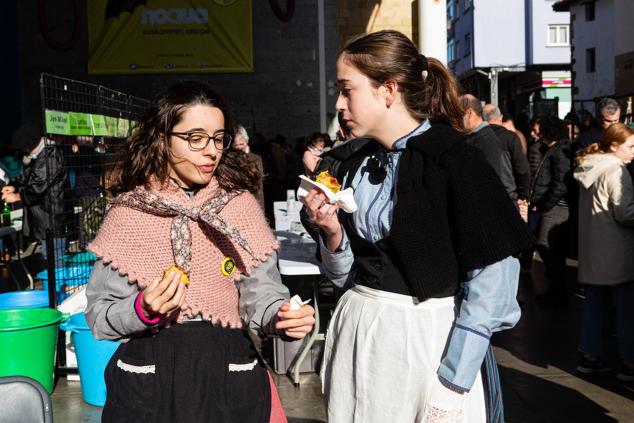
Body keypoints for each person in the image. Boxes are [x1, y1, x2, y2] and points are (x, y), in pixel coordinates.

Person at [301, 30, 533, 422]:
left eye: (347, 90)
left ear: (388, 91)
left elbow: (493, 281)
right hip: (357, 334)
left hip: (426, 341)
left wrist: (453, 382)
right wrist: (332, 232)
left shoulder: (456, 161)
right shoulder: (350, 162)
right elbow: (346, 277)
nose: (339, 104)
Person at [85, 81, 315, 423]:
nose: (211, 151)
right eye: (195, 138)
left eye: (219, 138)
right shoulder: (130, 214)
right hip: (151, 379)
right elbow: (99, 317)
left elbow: (262, 292)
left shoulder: (239, 208)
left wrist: (280, 315)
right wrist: (142, 309)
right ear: (162, 139)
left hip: (228, 373)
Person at [573, 123, 634, 382]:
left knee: (595, 303)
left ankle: (590, 356)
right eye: (630, 146)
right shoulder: (616, 171)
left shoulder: (591, 166)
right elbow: (625, 212)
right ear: (614, 146)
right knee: (627, 308)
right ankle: (630, 362)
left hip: (593, 249)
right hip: (616, 250)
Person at [2, 123, 67, 268]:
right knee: (48, 258)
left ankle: (58, 289)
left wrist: (18, 196)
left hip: (50, 216)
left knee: (54, 261)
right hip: (43, 217)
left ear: (33, 143)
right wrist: (14, 186)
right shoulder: (37, 155)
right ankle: (54, 287)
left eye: (25, 147)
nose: (24, 150)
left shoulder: (50, 155)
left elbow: (38, 186)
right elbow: (27, 178)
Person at [527, 115, 571, 306]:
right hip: (553, 207)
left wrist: (545, 203)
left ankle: (557, 291)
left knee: (546, 246)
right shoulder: (554, 149)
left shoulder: (558, 150)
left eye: (539, 130)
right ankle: (555, 290)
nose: (537, 135)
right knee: (551, 249)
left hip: (556, 209)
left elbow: (560, 183)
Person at [461, 94, 517, 201]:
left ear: (469, 113)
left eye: (459, 115)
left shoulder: (485, 139)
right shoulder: (478, 136)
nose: (457, 121)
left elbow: (492, 179)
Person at [484, 104, 531, 219]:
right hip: (508, 197)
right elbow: (522, 169)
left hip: (484, 197)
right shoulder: (511, 138)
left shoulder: (475, 139)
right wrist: (523, 195)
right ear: (500, 117)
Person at [232, 125, 265, 209]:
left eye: (241, 144)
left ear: (246, 142)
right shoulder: (229, 159)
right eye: (236, 145)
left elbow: (258, 186)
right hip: (235, 202)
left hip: (252, 201)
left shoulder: (255, 159)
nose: (239, 147)